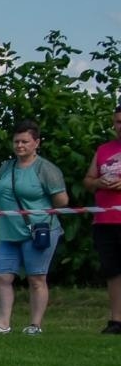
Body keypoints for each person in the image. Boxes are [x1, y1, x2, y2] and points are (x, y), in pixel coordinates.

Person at [0, 120, 68, 336]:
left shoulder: (47, 169)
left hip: (38, 231)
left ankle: (34, 324)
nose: (20, 145)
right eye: (16, 141)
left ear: (36, 143)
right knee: (2, 277)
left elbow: (61, 200)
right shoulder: (6, 167)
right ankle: (3, 324)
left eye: (25, 141)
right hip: (8, 232)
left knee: (36, 278)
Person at [82, 101, 121, 334]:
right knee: (113, 270)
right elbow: (88, 180)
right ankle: (116, 320)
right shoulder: (103, 150)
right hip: (105, 221)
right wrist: (97, 182)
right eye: (118, 122)